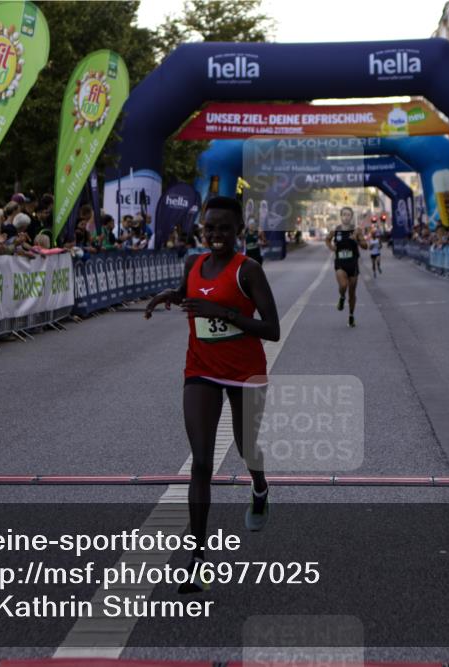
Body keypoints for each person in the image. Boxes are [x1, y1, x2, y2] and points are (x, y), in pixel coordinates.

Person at [144, 196, 280, 593]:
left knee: (246, 447)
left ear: (238, 230)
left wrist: (222, 313)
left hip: (244, 372)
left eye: (224, 228)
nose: (216, 235)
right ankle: (198, 558)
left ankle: (260, 487)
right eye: (210, 228)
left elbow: (271, 327)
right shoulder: (193, 263)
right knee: (201, 462)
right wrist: (169, 295)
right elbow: (189, 291)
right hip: (201, 369)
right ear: (202, 229)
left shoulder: (248, 270)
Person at [325, 206, 368, 327]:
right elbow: (327, 240)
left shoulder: (357, 231)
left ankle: (351, 316)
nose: (346, 217)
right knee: (343, 285)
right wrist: (331, 247)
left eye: (348, 215)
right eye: (344, 214)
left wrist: (358, 240)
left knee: (352, 293)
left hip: (353, 264)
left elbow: (365, 246)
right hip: (340, 263)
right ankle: (342, 297)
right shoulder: (335, 230)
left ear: (351, 217)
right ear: (341, 216)